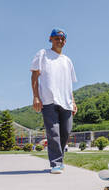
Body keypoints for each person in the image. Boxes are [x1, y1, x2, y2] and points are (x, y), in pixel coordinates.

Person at [30, 28, 78, 174]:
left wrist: (73, 102)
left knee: (65, 132)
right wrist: (36, 96)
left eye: (62, 38)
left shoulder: (68, 61)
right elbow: (34, 76)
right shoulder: (43, 54)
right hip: (49, 100)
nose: (60, 40)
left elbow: (69, 84)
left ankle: (59, 159)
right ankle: (56, 163)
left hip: (66, 102)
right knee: (53, 133)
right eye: (56, 38)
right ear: (50, 39)